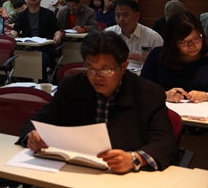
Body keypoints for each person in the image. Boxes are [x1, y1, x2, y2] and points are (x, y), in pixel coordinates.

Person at [19, 31, 179, 173]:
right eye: (90, 69)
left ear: (124, 66)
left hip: (123, 176)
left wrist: (134, 159)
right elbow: (39, 121)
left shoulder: (149, 94)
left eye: (105, 70)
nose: (97, 77)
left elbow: (166, 143)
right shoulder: (71, 87)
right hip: (73, 171)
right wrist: (32, 135)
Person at [141, 11, 208, 103]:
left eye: (196, 38)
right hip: (166, 110)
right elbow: (141, 89)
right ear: (172, 42)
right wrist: (164, 95)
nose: (191, 45)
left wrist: (206, 95)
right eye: (184, 41)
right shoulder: (157, 55)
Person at [9, 0, 62, 81]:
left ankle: (43, 84)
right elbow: (15, 31)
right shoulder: (22, 15)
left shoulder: (48, 14)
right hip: (26, 48)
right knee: (19, 59)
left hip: (44, 49)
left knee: (40, 60)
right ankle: (24, 84)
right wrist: (10, 35)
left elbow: (57, 30)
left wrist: (57, 36)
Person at [106, 0, 163, 64]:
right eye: (118, 15)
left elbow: (162, 65)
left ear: (137, 16)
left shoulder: (153, 37)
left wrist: (146, 60)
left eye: (125, 15)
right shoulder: (108, 34)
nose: (121, 19)